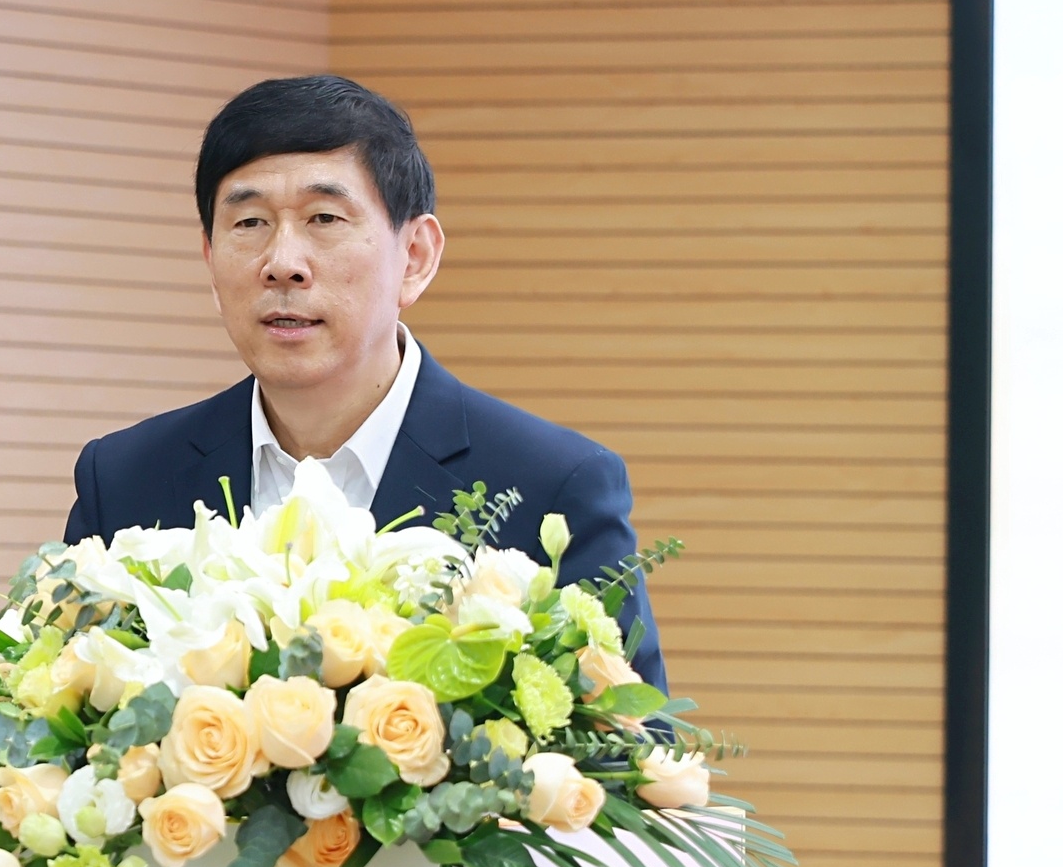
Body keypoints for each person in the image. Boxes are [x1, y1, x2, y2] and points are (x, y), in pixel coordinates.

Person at [62, 74, 664, 688]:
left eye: (324, 217)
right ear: (211, 259)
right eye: (249, 223)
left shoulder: (551, 485)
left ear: (416, 256)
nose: (283, 264)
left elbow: (626, 742)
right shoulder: (126, 481)